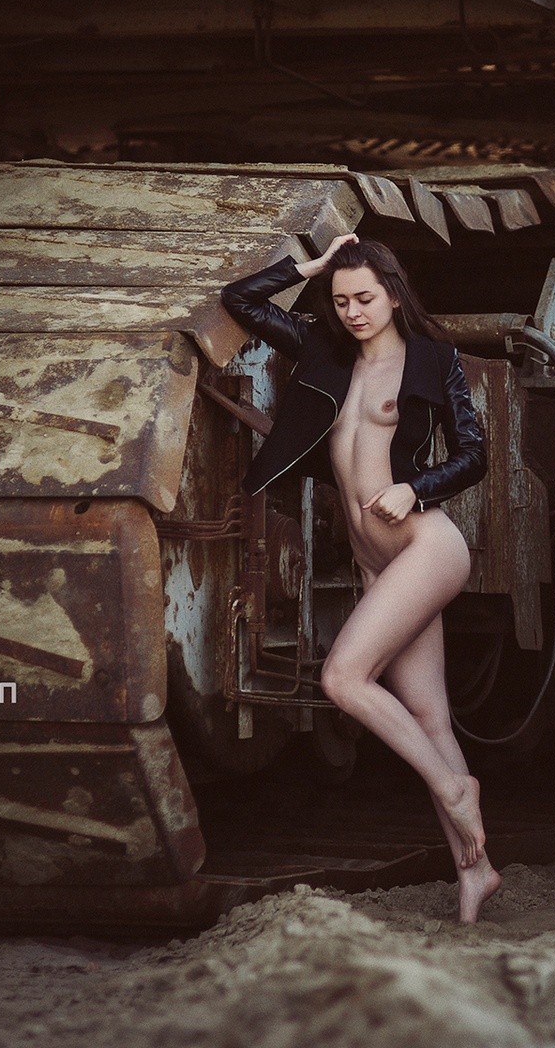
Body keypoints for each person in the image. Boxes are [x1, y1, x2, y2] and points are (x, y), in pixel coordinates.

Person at [220, 233, 500, 922]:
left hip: (425, 545)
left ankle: (454, 789)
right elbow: (240, 300)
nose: (352, 312)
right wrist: (310, 267)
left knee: (343, 680)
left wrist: (416, 487)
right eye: (341, 300)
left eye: (365, 298)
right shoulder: (323, 350)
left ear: (394, 294)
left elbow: (475, 454)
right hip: (376, 560)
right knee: (429, 716)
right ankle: (477, 873)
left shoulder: (433, 359)